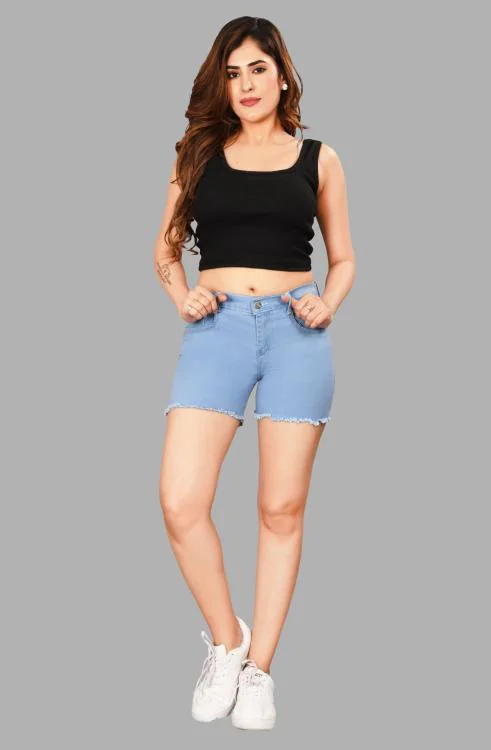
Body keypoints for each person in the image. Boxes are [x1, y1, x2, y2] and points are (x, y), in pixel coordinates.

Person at [153, 16, 356, 731]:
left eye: (257, 69)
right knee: (180, 500)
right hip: (217, 332)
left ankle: (261, 669)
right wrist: (183, 296)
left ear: (282, 75)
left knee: (281, 510)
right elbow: (165, 250)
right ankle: (227, 640)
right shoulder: (198, 154)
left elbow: (344, 258)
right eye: (232, 73)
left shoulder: (319, 159)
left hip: (297, 334)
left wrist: (328, 303)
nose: (245, 85)